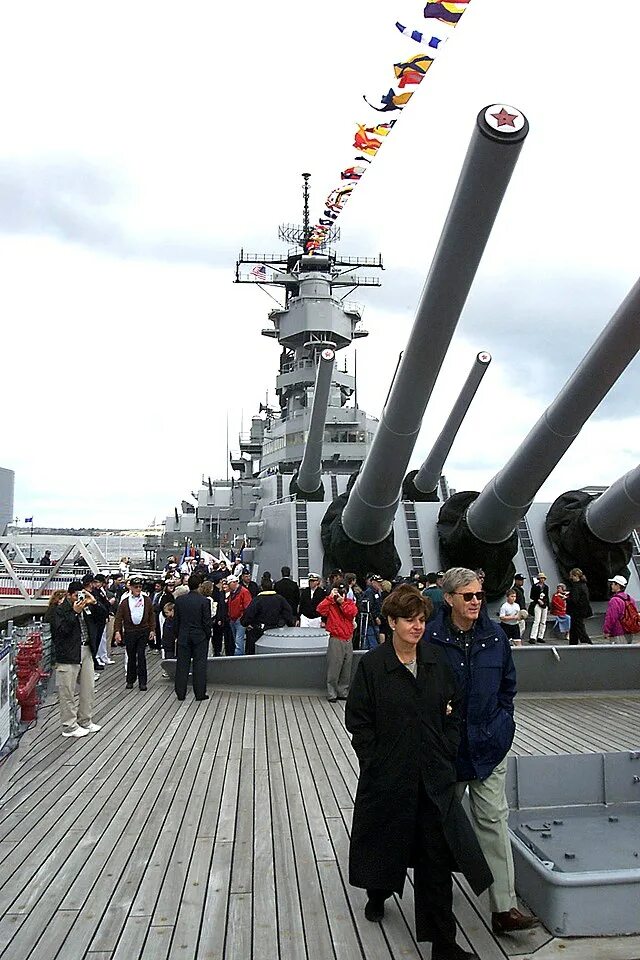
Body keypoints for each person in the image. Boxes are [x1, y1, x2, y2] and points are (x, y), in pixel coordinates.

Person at [346, 584, 492, 960]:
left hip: (433, 777)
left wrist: (446, 745)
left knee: (435, 860)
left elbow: (454, 708)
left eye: (422, 619)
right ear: (391, 621)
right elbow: (359, 720)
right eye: (409, 620)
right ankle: (378, 892)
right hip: (389, 776)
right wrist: (373, 759)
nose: (417, 626)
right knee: (386, 841)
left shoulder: (435, 662)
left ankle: (443, 943)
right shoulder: (374, 666)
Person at [425, 567, 539, 935]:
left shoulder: (495, 637)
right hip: (447, 749)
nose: (476, 601)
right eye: (469, 596)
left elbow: (508, 685)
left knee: (493, 822)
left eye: (479, 595)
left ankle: (503, 909)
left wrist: (503, 722)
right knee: (440, 827)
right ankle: (436, 900)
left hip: (489, 745)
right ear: (451, 598)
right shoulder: (431, 639)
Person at [48, 581, 101, 738]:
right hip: (68, 654)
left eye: (82, 594)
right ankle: (69, 725)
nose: (79, 598)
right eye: (76, 595)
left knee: (88, 688)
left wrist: (94, 602)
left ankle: (85, 719)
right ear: (69, 595)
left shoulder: (86, 607)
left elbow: (103, 616)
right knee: (67, 691)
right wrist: (75, 612)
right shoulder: (59, 610)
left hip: (86, 649)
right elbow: (62, 630)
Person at [317, 580, 358, 702]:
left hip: (348, 639)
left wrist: (342, 603)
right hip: (336, 639)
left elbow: (352, 613)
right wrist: (330, 598)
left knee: (346, 668)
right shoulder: (330, 604)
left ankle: (343, 691)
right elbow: (320, 610)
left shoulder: (350, 603)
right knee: (334, 668)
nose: (342, 594)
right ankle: (332, 693)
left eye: (343, 591)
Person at [174, 573, 212, 701]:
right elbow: (206, 621)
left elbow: (176, 621)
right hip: (199, 636)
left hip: (183, 635)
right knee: (199, 665)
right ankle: (200, 693)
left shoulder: (179, 600)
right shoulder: (204, 601)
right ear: (199, 586)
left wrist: (177, 634)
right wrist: (208, 634)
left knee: (182, 665)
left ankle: (180, 693)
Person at [114, 575, 155, 690]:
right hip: (130, 631)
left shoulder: (146, 599)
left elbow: (152, 614)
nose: (138, 589)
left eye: (140, 587)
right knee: (131, 656)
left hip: (143, 631)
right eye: (136, 587)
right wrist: (117, 632)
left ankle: (143, 682)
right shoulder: (125, 601)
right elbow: (118, 617)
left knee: (141, 655)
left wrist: (152, 630)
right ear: (131, 587)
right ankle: (130, 680)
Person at [242, 574, 295, 653]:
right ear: (272, 586)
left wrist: (245, 623)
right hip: (276, 630)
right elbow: (288, 612)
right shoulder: (279, 598)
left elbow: (249, 614)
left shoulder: (257, 600)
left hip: (260, 631)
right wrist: (289, 623)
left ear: (261, 588)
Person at [604, 574, 639, 644]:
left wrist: (606, 631)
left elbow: (611, 617)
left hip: (618, 632)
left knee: (618, 653)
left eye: (613, 584)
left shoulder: (615, 600)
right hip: (629, 630)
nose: (611, 586)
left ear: (618, 586)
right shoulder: (630, 599)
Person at [226, 574, 253, 655]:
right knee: (237, 641)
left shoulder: (244, 592)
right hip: (233, 619)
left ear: (233, 583)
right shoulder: (233, 592)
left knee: (238, 641)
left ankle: (238, 658)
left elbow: (248, 607)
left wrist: (246, 620)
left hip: (240, 619)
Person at [566, 568, 592, 645]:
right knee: (574, 629)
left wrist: (567, 598)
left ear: (576, 576)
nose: (571, 578)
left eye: (572, 576)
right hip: (582, 610)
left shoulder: (576, 587)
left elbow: (574, 600)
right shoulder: (583, 585)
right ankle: (573, 644)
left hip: (576, 611)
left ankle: (588, 643)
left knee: (579, 629)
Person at [528, 572, 549, 644]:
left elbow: (547, 596)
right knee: (536, 621)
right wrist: (538, 600)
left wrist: (546, 604)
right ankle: (533, 637)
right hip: (537, 604)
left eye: (543, 578)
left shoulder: (546, 587)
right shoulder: (535, 586)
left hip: (544, 604)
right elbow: (532, 596)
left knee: (543, 621)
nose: (542, 580)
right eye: (541, 578)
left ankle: (540, 636)